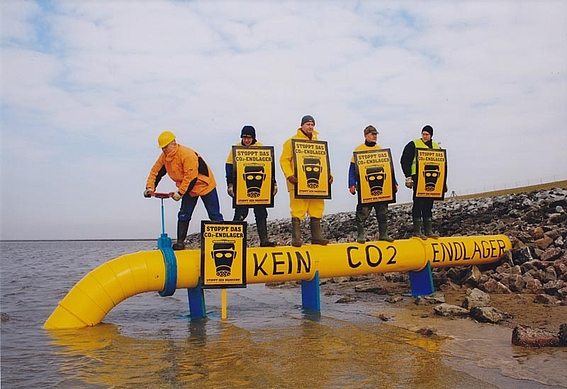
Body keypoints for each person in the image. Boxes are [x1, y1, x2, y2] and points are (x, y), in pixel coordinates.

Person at [144, 131, 223, 250]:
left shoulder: (186, 154)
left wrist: (180, 193)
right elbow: (156, 172)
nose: (164, 150)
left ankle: (222, 241)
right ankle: (180, 243)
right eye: (162, 148)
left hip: (205, 185)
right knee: (184, 214)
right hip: (188, 188)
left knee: (214, 214)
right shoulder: (164, 158)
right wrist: (150, 188)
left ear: (173, 143)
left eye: (165, 147)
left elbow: (191, 177)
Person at [279, 115, 333, 247]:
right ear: (302, 125)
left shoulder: (317, 143)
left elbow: (323, 161)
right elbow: (284, 160)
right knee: (298, 209)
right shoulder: (291, 142)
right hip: (297, 183)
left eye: (312, 125)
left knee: (317, 208)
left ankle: (317, 237)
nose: (310, 127)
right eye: (308, 124)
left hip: (317, 185)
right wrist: (289, 175)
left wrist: (329, 175)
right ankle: (296, 238)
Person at [225, 125, 277, 247]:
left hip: (260, 190)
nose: (246, 140)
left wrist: (273, 184)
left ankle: (264, 240)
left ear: (253, 137)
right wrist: (230, 185)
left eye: (249, 138)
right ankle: (232, 242)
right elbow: (228, 167)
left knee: (261, 213)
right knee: (240, 213)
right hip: (241, 188)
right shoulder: (235, 150)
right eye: (244, 137)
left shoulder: (261, 148)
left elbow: (269, 168)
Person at [348, 125, 396, 243]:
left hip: (382, 189)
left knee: (383, 212)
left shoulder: (381, 150)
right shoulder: (358, 150)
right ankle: (360, 236)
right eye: (372, 134)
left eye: (376, 134)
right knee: (362, 213)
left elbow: (388, 169)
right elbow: (352, 169)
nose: (375, 136)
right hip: (365, 189)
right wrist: (351, 184)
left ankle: (383, 234)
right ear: (366, 135)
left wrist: (394, 182)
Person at [400, 124, 441, 239]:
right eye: (423, 134)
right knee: (418, 203)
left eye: (427, 134)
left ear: (431, 135)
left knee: (429, 204)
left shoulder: (436, 147)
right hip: (417, 178)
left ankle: (429, 231)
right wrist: (408, 176)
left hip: (433, 180)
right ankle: (417, 231)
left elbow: (442, 165)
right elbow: (404, 160)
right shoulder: (413, 144)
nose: (424, 136)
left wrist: (443, 182)